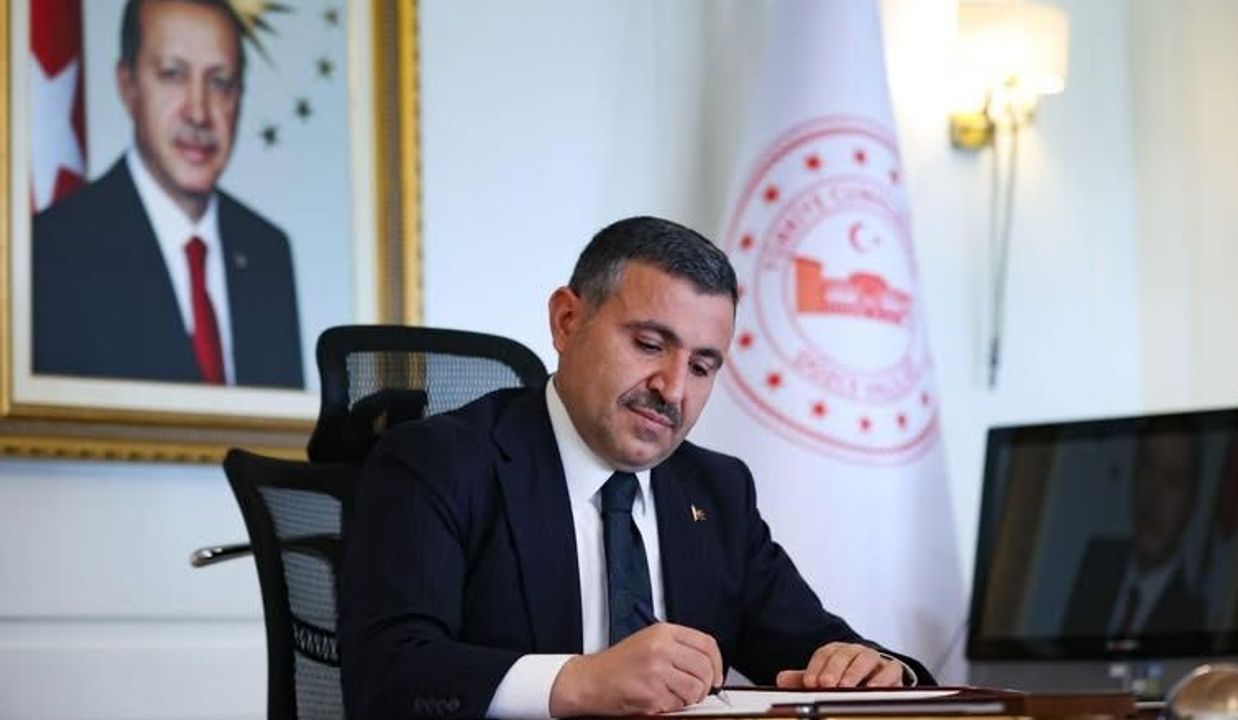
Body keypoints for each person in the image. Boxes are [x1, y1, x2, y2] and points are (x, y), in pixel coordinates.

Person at [339, 217, 933, 719]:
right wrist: (580, 681)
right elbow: (388, 672)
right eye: (649, 345)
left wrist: (872, 669)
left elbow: (814, 647)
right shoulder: (438, 462)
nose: (672, 389)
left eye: (701, 367)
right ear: (567, 321)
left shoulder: (718, 492)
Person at [32, 0, 303, 389]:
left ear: (240, 97)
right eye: (173, 74)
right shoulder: (52, 251)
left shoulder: (267, 253)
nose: (199, 113)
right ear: (128, 85)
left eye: (220, 82)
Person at [1061, 427, 1207, 636]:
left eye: (1172, 479)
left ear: (1191, 502)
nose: (1153, 496)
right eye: (1147, 468)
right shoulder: (1097, 560)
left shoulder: (1194, 619)